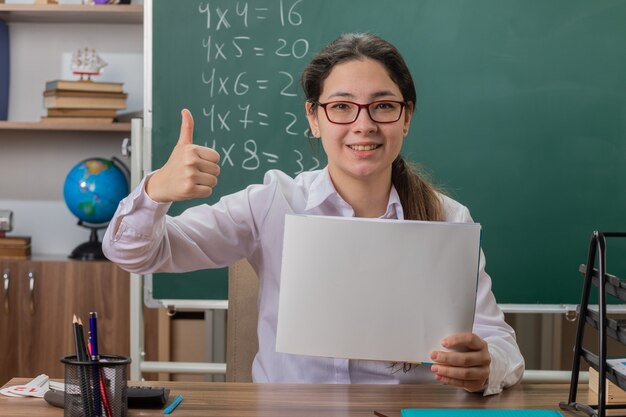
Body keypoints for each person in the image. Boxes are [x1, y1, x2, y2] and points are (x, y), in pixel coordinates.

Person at [103, 32, 524, 395]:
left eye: (383, 106)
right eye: (341, 106)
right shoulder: (272, 202)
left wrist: (485, 366)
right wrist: (156, 191)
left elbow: (500, 344)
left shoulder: (447, 217)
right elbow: (134, 254)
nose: (364, 124)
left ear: (406, 117)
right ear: (315, 117)